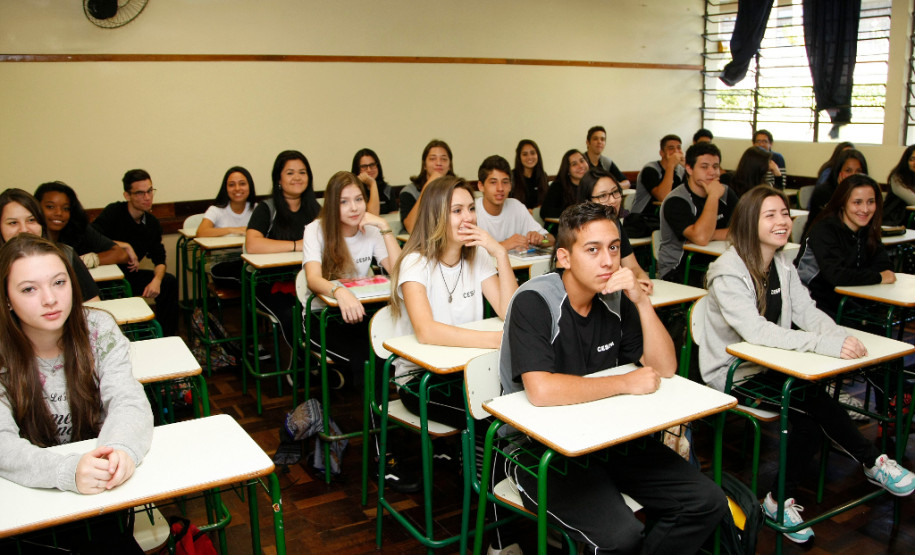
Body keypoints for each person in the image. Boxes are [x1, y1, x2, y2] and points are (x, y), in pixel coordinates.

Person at [498, 202, 729, 554]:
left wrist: (641, 300)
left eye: (614, 248)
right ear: (564, 257)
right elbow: (541, 390)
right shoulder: (534, 301)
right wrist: (623, 383)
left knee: (706, 501)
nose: (608, 261)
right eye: (592, 250)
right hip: (536, 450)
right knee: (621, 536)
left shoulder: (616, 298)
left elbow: (665, 367)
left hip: (607, 435)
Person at [697, 185, 914, 544]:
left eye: (784, 213)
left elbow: (807, 311)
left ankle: (780, 500)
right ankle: (872, 461)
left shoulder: (781, 263)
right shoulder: (727, 271)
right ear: (751, 223)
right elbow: (756, 332)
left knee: (810, 415)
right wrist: (824, 345)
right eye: (771, 215)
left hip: (772, 366)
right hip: (735, 372)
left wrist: (837, 338)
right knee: (810, 406)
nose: (783, 221)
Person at [0, 234, 153, 553]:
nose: (50, 299)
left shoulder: (98, 328)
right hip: (26, 506)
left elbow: (127, 400)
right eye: (29, 289)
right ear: (7, 300)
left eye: (58, 282)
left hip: (99, 497)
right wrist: (67, 470)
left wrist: (119, 451)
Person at [389, 176, 517, 428]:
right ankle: (477, 466)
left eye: (471, 209)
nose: (467, 218)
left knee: (513, 405)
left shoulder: (477, 255)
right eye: (457, 211)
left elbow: (508, 311)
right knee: (492, 417)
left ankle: (478, 465)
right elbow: (426, 332)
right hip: (420, 380)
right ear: (435, 216)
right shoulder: (415, 263)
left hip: (466, 370)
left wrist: (500, 254)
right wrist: (495, 340)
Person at [303, 170, 401, 385]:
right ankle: (374, 414)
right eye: (344, 202)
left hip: (361, 311)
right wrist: (340, 292)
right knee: (368, 357)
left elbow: (398, 270)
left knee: (392, 348)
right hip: (323, 317)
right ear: (331, 205)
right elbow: (312, 279)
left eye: (358, 199)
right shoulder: (315, 230)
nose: (354, 207)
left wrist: (384, 227)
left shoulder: (371, 231)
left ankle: (381, 408)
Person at [245, 150, 321, 352]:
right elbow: (252, 244)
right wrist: (297, 245)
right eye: (290, 173)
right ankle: (301, 364)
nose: (297, 177)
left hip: (308, 282)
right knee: (293, 314)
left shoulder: (316, 209)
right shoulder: (266, 208)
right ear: (278, 178)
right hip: (270, 283)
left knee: (324, 312)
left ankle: (323, 361)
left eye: (302, 172)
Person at [91, 169, 178, 336]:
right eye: (139, 193)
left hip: (129, 276)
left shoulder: (151, 223)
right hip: (105, 279)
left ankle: (168, 337)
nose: (147, 197)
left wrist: (156, 281)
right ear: (127, 195)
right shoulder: (114, 212)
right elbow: (91, 236)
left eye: (149, 191)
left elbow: (160, 259)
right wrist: (125, 245)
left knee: (168, 282)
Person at [795, 174, 894, 318]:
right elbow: (836, 276)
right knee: (866, 326)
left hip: (847, 299)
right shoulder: (824, 230)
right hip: (812, 303)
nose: (865, 209)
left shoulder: (867, 230)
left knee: (876, 323)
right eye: (857, 202)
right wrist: (878, 277)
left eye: (870, 202)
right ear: (842, 203)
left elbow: (885, 266)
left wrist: (865, 276)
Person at [657, 142, 738, 284]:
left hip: (716, 263)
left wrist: (712, 234)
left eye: (715, 166)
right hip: (679, 269)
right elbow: (701, 238)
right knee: (726, 284)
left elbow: (745, 231)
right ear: (689, 168)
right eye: (704, 167)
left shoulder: (725, 193)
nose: (712, 172)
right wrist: (713, 196)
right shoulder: (676, 200)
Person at [1, 189, 99, 302]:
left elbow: (93, 306)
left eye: (31, 220)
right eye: (13, 223)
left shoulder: (66, 254)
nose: (24, 230)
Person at [577, 167, 652, 293]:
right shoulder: (578, 231)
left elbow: (633, 267)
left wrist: (643, 281)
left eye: (615, 192)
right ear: (588, 201)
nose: (613, 200)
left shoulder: (614, 225)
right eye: (603, 196)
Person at [34, 181, 127, 268]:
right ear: (36, 207)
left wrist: (84, 262)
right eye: (50, 207)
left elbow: (121, 255)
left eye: (66, 208)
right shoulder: (28, 233)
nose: (59, 213)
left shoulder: (78, 229)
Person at [474, 155, 553, 251]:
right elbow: (466, 252)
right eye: (493, 182)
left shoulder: (516, 207)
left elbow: (551, 240)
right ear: (481, 186)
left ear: (511, 186)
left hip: (515, 266)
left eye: (505, 182)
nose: (500, 188)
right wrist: (504, 245)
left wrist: (541, 240)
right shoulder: (470, 211)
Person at [195, 166, 257, 286]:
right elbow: (201, 232)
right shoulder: (216, 210)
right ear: (226, 188)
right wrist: (234, 230)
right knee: (247, 279)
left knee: (259, 277)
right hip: (221, 264)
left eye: (242, 184)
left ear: (250, 186)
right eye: (232, 185)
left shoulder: (257, 208)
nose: (237, 188)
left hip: (248, 261)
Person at [805, 148, 868, 231]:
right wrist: (842, 192)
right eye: (848, 171)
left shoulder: (867, 195)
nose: (854, 176)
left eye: (858, 171)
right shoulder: (823, 192)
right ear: (838, 172)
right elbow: (831, 225)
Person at [400, 140, 454, 233]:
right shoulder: (409, 192)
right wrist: (427, 187)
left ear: (449, 165)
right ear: (424, 164)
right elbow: (411, 227)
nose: (438, 163)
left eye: (444, 159)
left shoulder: (458, 190)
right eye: (433, 159)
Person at [631, 134, 687, 217]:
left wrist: (688, 168)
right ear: (662, 153)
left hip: (670, 215)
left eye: (679, 148)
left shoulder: (681, 170)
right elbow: (663, 197)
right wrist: (670, 166)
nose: (676, 151)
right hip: (644, 217)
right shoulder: (650, 170)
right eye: (671, 148)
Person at [540, 149, 588, 220]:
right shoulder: (558, 186)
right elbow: (544, 212)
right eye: (574, 164)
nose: (580, 166)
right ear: (568, 170)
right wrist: (574, 212)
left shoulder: (593, 184)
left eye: (582, 161)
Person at [351, 148, 398, 215]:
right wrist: (372, 184)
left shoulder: (387, 189)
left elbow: (394, 217)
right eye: (364, 166)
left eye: (372, 165)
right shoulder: (353, 191)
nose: (369, 170)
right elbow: (372, 215)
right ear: (357, 169)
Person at [510, 139, 549, 210]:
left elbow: (547, 202)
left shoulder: (543, 176)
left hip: (538, 219)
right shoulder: (511, 176)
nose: (529, 157)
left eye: (533, 153)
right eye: (525, 154)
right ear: (519, 157)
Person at [883, 145, 915, 227]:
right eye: (912, 159)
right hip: (893, 221)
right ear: (906, 161)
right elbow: (912, 200)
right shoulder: (897, 177)